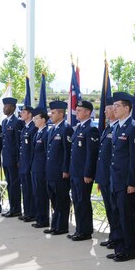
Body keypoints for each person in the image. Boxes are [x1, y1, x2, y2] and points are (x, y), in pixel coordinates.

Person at [106, 92, 135, 262]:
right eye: (114, 105)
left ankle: (129, 250)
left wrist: (133, 182)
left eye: (117, 106)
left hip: (126, 182)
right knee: (116, 215)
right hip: (115, 180)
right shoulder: (117, 127)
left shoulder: (133, 128)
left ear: (127, 108)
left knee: (126, 217)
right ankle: (119, 247)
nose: (114, 108)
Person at [69, 100, 100, 241]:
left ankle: (85, 231)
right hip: (75, 172)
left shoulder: (91, 129)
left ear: (88, 112)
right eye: (77, 110)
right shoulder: (79, 128)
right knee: (77, 201)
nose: (77, 112)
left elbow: (91, 154)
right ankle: (79, 229)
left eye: (80, 110)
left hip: (83, 174)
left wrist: (88, 173)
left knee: (83, 202)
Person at [45, 100, 73, 235]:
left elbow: (67, 152)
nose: (50, 115)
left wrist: (66, 169)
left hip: (60, 172)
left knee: (62, 199)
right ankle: (55, 224)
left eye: (53, 112)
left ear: (61, 114)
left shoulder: (66, 129)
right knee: (54, 200)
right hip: (51, 171)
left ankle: (62, 226)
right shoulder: (52, 129)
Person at [96, 98, 117, 249]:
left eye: (108, 108)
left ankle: (117, 238)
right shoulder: (108, 128)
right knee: (109, 209)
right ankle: (113, 236)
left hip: (114, 177)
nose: (105, 111)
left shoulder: (119, 128)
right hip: (105, 176)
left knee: (115, 210)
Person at [1, 97, 23, 217]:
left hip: (14, 159)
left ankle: (16, 209)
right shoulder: (4, 122)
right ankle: (12, 207)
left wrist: (18, 159)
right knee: (9, 183)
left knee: (14, 184)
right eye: (4, 106)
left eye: (7, 106)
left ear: (13, 108)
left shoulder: (17, 122)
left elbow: (18, 143)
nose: (4, 108)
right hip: (6, 158)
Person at [30, 108, 50, 228]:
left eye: (36, 118)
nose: (34, 121)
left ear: (43, 119)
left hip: (42, 169)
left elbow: (46, 152)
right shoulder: (38, 132)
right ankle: (39, 218)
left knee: (42, 195)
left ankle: (43, 219)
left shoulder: (46, 132)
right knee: (36, 194)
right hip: (35, 168)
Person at [18, 104, 38, 222]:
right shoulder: (25, 127)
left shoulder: (33, 128)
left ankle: (32, 213)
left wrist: (30, 164)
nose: (21, 114)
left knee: (30, 190)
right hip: (23, 163)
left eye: (23, 112)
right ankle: (27, 212)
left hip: (29, 164)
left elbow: (32, 149)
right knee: (25, 189)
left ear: (30, 114)